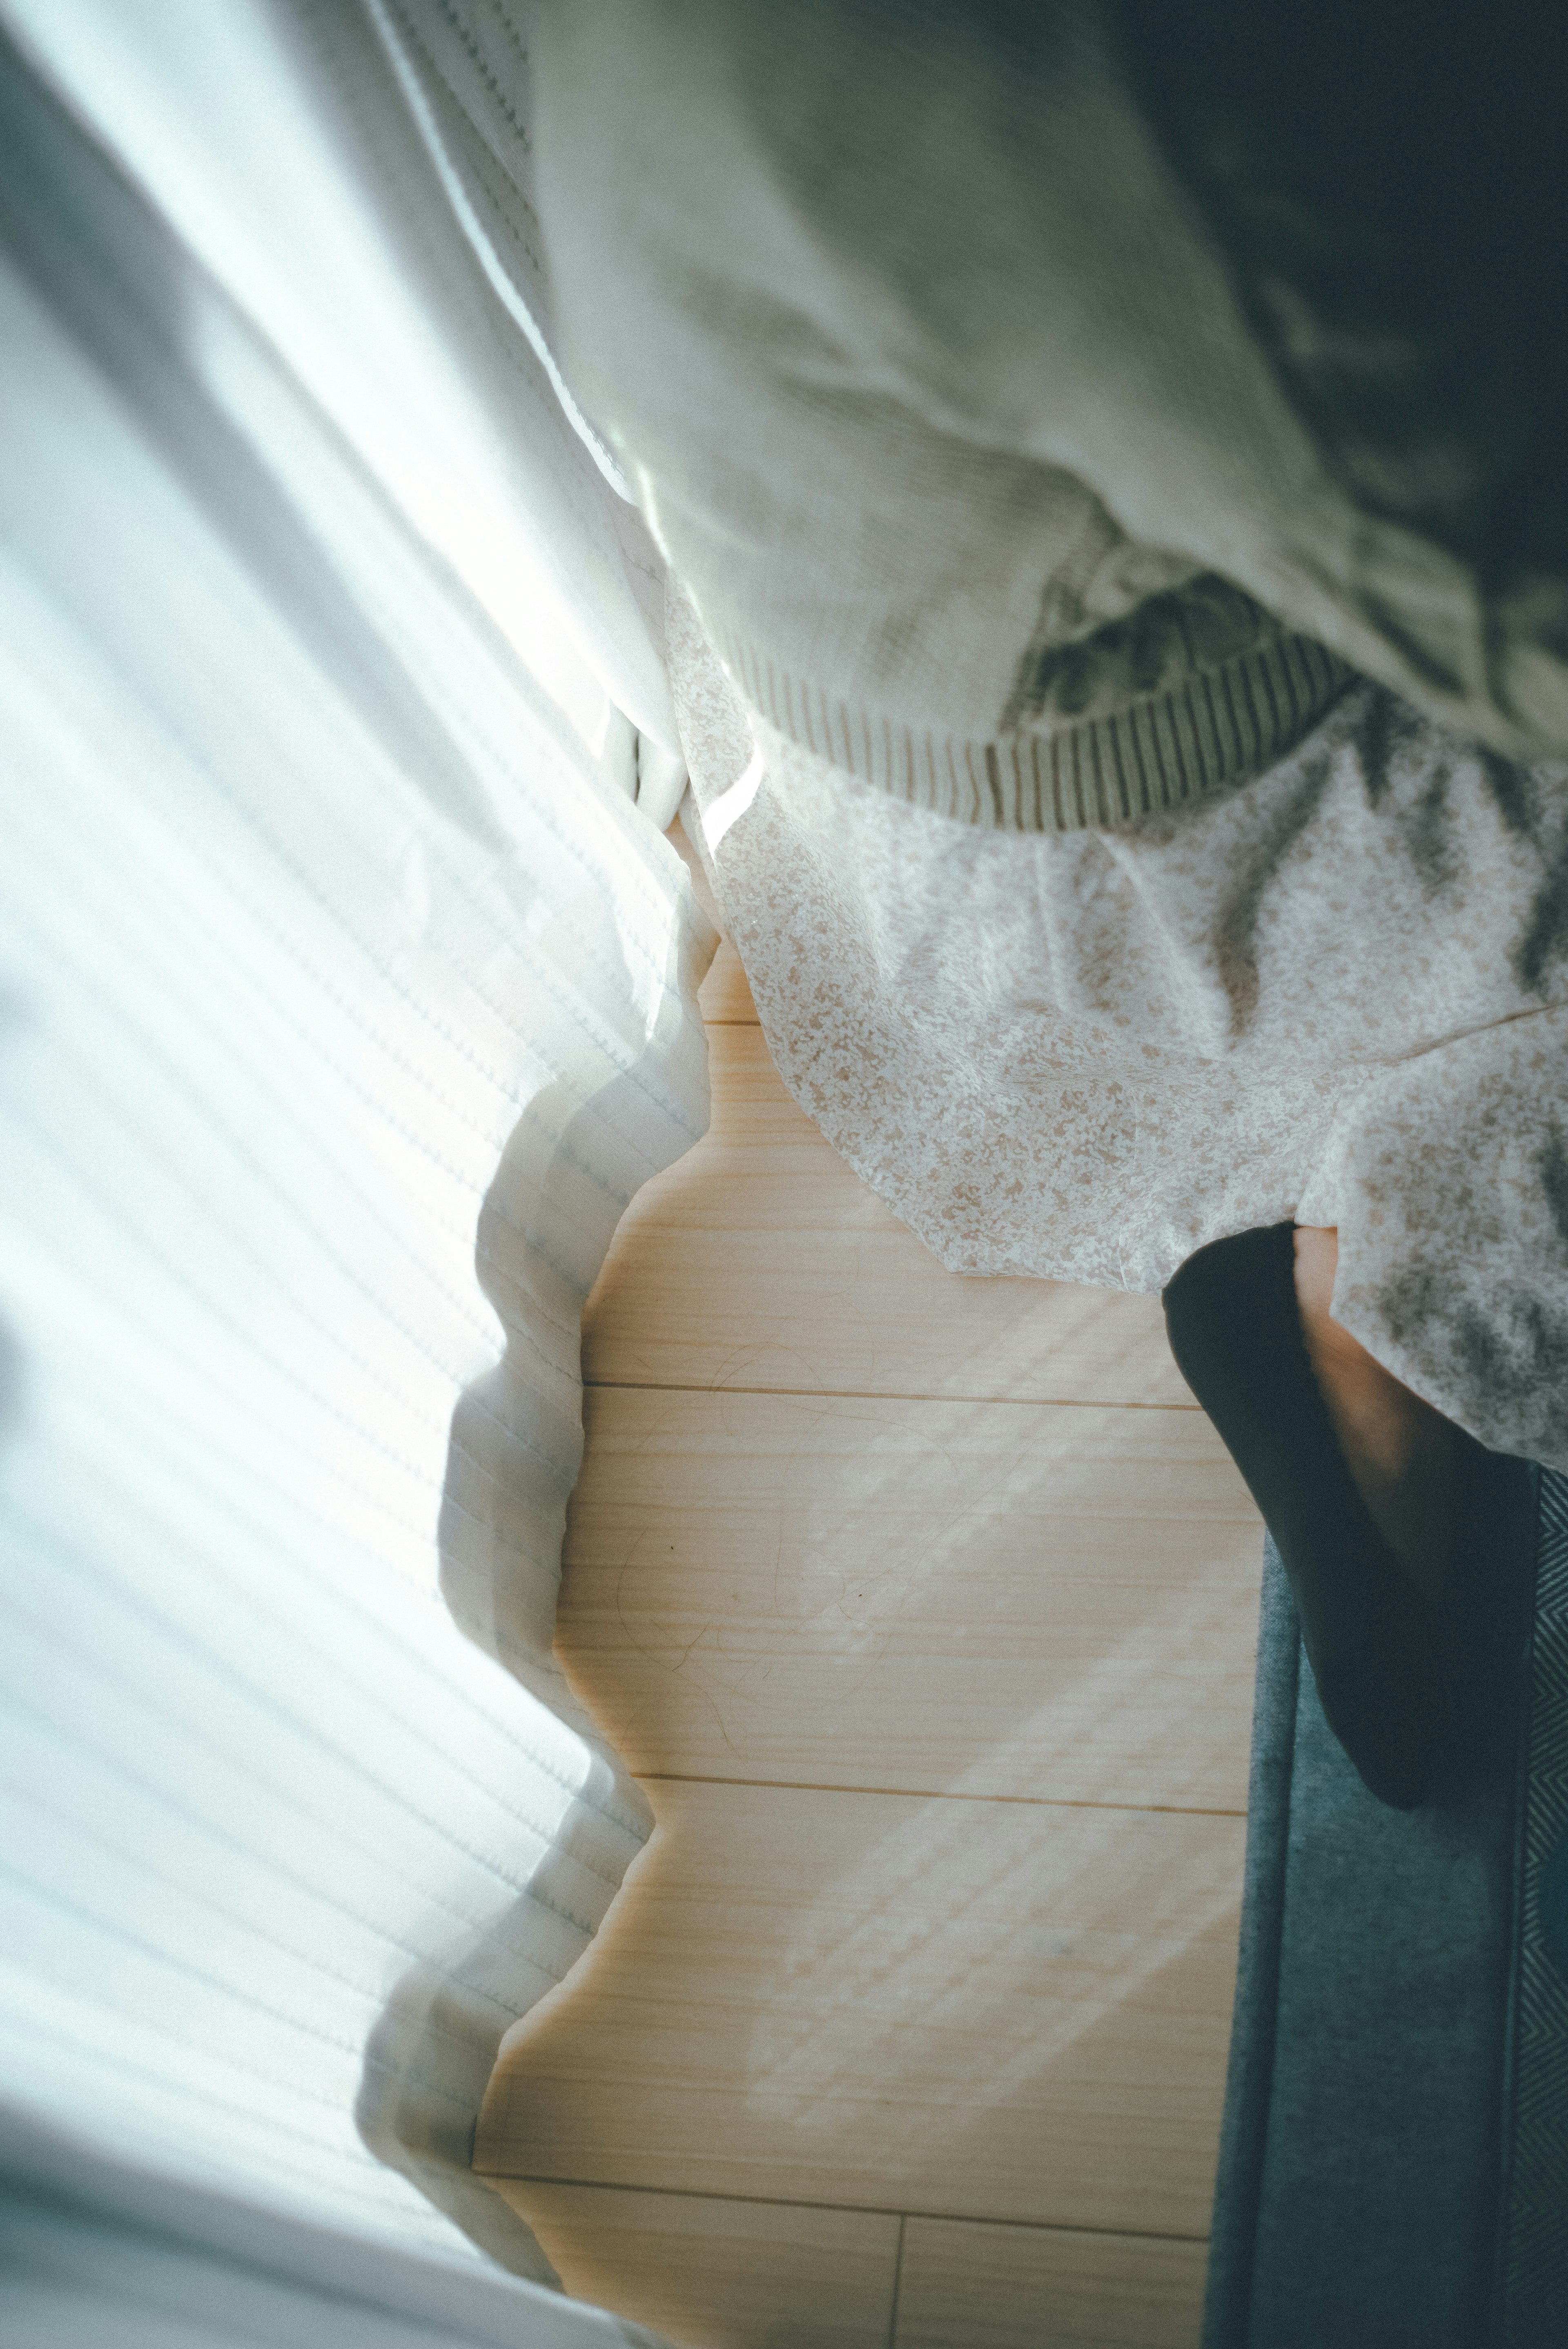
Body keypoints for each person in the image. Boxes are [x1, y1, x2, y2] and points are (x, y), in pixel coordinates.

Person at [526, 0, 1568, 1805]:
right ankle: (1393, 1308)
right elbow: (1504, 593)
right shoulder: (1105, 96)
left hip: (895, 615)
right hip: (1165, 807)